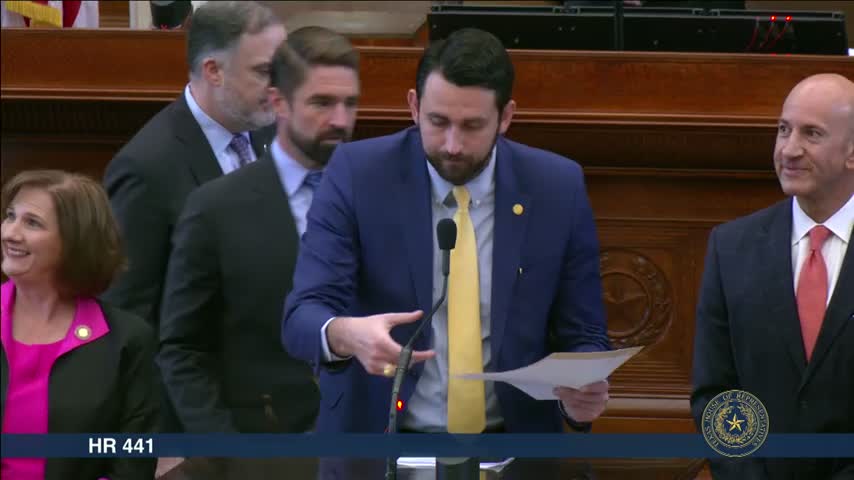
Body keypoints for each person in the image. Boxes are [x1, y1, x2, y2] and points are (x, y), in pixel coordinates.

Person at [282, 27, 611, 434]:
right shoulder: (358, 174)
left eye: (472, 126)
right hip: (380, 441)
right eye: (438, 122)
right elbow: (302, 316)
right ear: (414, 106)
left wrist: (580, 395)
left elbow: (585, 331)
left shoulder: (556, 187)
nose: (452, 145)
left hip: (513, 443)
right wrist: (347, 334)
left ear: (506, 117)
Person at [157, 26, 360, 435]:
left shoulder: (376, 193)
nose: (340, 120)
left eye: (349, 103)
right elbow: (183, 350)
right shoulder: (216, 208)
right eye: (322, 103)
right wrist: (227, 451)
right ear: (278, 102)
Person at [101, 0, 284, 434]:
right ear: (213, 71)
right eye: (264, 71)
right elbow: (130, 320)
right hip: (196, 421)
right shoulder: (147, 167)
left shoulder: (273, 133)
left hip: (277, 405)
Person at [691, 73, 854, 479]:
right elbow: (717, 394)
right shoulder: (731, 247)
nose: (789, 149)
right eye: (783, 130)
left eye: (812, 133)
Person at [0, 170, 158, 480]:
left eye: (32, 223)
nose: (10, 233)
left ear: (74, 241)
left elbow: (134, 457)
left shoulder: (127, 339)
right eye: (10, 216)